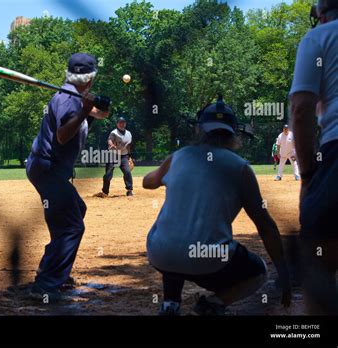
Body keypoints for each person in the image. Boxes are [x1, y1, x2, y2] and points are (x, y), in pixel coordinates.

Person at [143, 96, 291, 315]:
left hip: (159, 252)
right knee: (258, 271)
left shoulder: (179, 156)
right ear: (234, 133)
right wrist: (284, 275)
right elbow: (266, 226)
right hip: (207, 262)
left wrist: (170, 172)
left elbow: (148, 182)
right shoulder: (240, 168)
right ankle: (212, 305)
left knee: (176, 237)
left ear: (199, 130)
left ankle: (170, 305)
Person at [26, 53, 109, 301]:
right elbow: (63, 135)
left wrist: (96, 111)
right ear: (90, 78)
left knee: (74, 211)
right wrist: (85, 112)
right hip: (48, 168)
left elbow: (91, 117)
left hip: (50, 170)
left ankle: (50, 268)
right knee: (72, 226)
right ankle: (46, 285)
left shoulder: (73, 97)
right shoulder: (68, 100)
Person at [290, 0, 338, 314]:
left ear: (320, 13)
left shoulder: (319, 37)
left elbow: (302, 108)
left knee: (317, 259)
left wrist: (308, 176)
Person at [98, 117, 134, 197]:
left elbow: (128, 146)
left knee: (127, 172)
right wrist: (111, 145)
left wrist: (129, 156)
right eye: (120, 122)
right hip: (113, 155)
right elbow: (110, 140)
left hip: (124, 155)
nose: (122, 124)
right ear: (117, 124)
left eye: (123, 122)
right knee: (108, 174)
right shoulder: (114, 132)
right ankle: (105, 192)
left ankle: (129, 190)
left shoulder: (129, 133)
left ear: (125, 123)